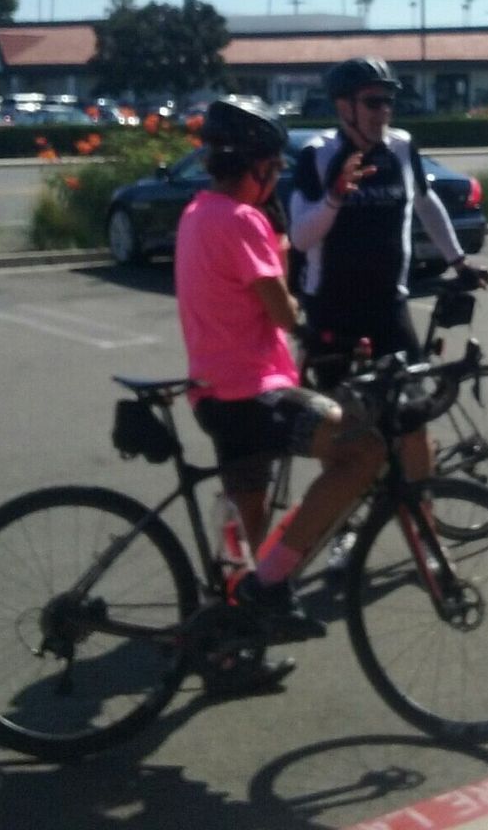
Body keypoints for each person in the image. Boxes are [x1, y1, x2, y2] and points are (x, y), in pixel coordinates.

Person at [174, 96, 385, 686]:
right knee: (361, 448)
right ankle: (271, 586)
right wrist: (285, 262)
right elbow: (285, 313)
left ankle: (229, 651)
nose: (275, 178)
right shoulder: (242, 221)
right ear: (256, 166)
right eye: (272, 167)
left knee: (248, 524)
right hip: (254, 391)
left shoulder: (197, 212)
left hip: (212, 393)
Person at [288, 57, 488, 571]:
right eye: (373, 102)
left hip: (388, 310)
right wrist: (335, 196)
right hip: (332, 312)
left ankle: (428, 540)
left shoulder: (401, 147)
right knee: (345, 438)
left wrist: (458, 260)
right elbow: (301, 236)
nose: (384, 111)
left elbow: (427, 203)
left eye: (388, 101)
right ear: (344, 107)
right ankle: (346, 530)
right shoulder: (317, 155)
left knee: (413, 427)